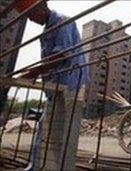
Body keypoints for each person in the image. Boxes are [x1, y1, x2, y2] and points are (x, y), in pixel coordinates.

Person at [15, 1, 89, 170]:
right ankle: (36, 167)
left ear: (41, 7)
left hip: (71, 85)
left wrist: (32, 72)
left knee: (64, 132)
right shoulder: (46, 31)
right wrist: (38, 72)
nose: (32, 21)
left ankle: (52, 167)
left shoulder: (63, 21)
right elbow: (49, 61)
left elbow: (61, 55)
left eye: (32, 16)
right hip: (56, 86)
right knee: (46, 129)